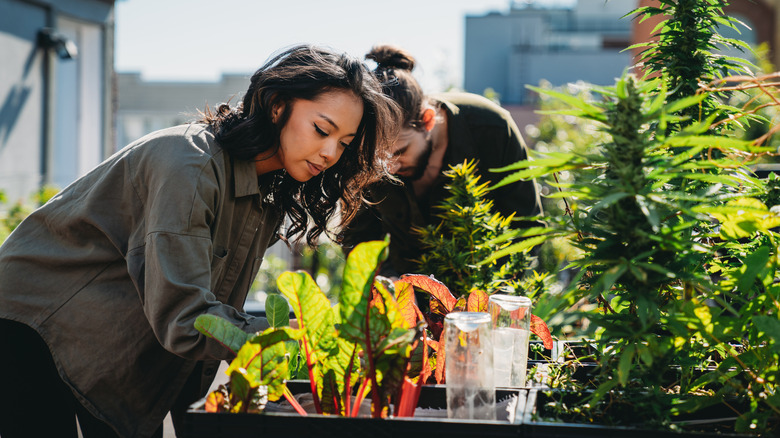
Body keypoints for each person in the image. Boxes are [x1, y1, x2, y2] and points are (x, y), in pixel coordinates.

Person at [0, 44, 401, 438]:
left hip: (106, 348)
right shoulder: (189, 164)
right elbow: (188, 318)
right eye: (321, 129)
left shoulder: (266, 194)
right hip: (32, 324)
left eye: (344, 143)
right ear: (277, 105)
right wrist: (308, 338)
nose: (330, 152)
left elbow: (211, 317)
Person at [340, 44, 543, 278]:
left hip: (482, 295)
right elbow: (358, 238)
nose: (389, 167)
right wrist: (389, 284)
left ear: (427, 121)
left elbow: (525, 230)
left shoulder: (491, 130)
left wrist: (487, 294)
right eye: (378, 157)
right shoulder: (362, 145)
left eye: (400, 151)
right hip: (405, 300)